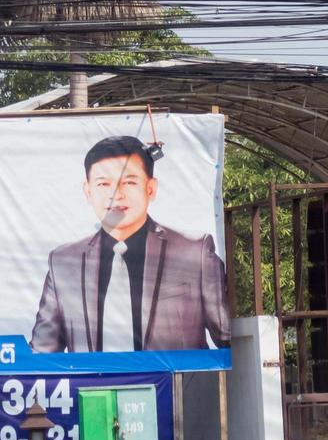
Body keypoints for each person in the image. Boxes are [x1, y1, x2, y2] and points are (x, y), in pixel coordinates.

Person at [30, 135, 229, 353]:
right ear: (88, 191)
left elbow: (228, 338)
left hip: (172, 386)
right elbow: (43, 351)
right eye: (103, 184)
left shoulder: (194, 253)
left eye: (129, 182)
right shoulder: (63, 262)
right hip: (93, 386)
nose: (116, 195)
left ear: (150, 189)